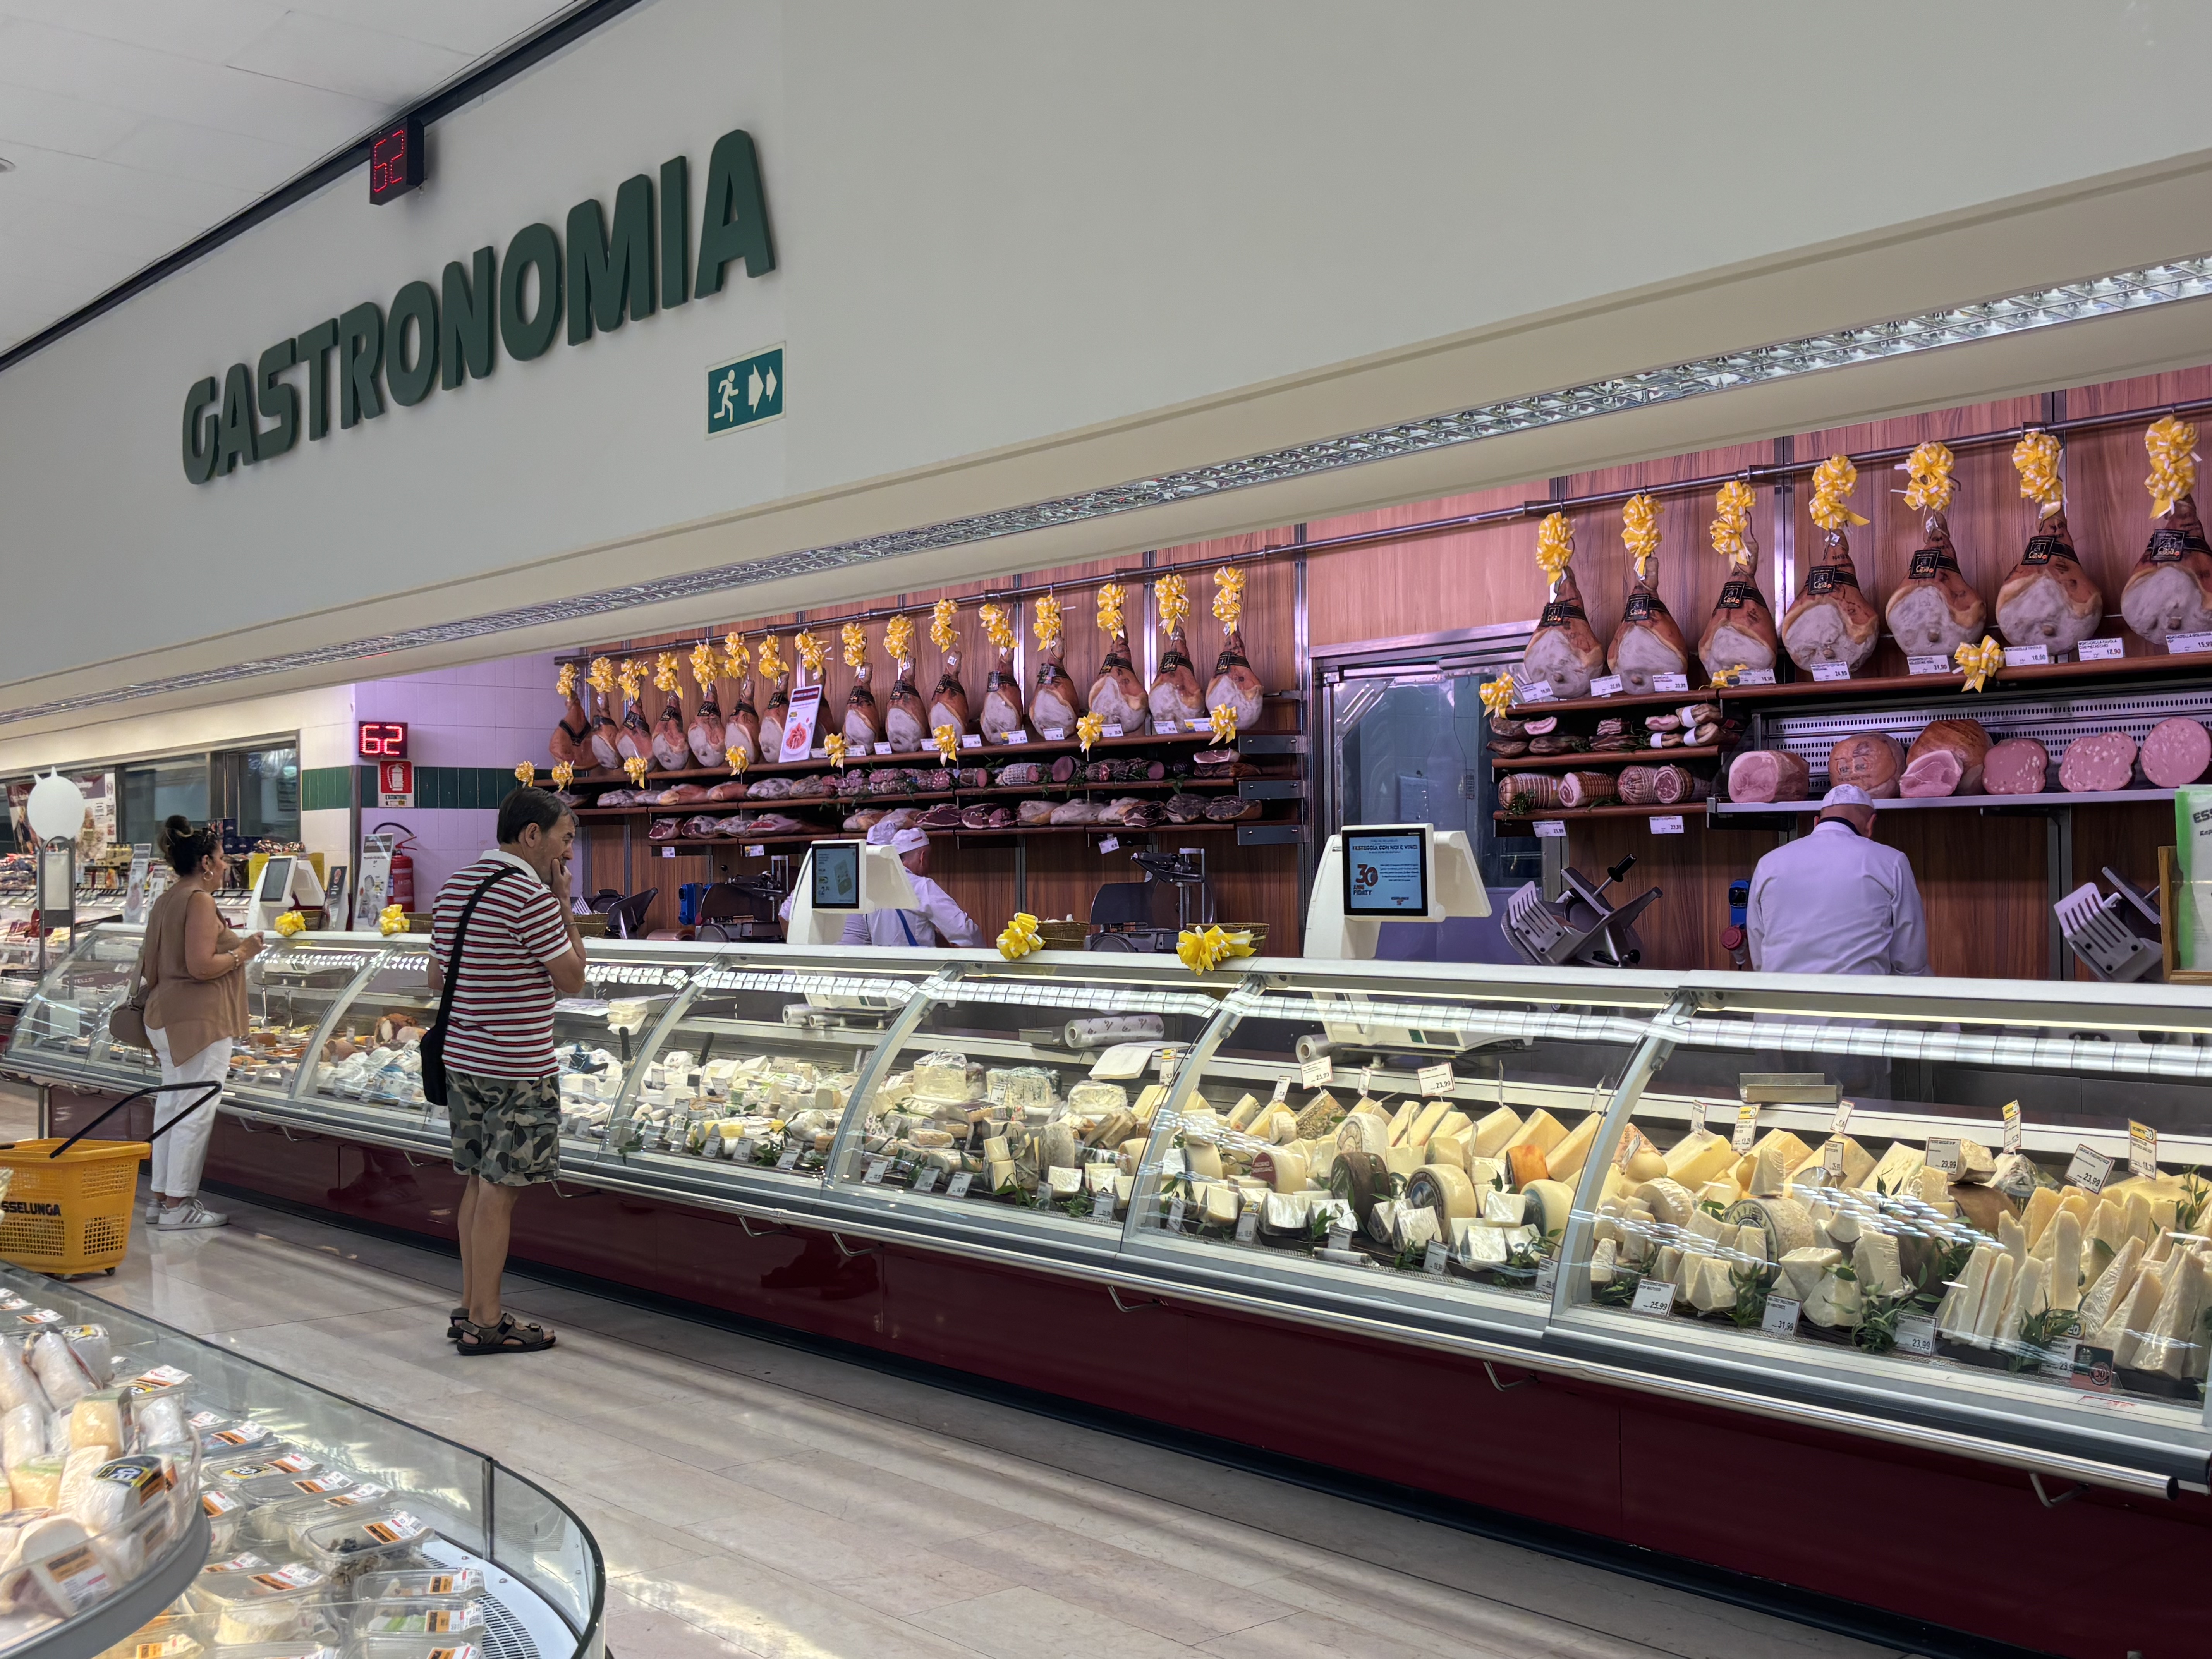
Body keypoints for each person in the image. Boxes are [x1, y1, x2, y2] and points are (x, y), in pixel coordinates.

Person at [426, 788, 585, 1356]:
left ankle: (470, 1307)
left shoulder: (454, 887)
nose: (567, 855)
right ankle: (488, 1322)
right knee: (501, 1191)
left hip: (464, 1061)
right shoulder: (530, 896)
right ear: (532, 835)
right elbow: (572, 979)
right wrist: (565, 904)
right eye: (565, 840)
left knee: (476, 1181)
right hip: (518, 1067)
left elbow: (435, 980)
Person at [138, 816, 263, 1230]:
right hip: (197, 1020)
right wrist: (243, 952)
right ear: (206, 863)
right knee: (196, 1108)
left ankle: (161, 1199)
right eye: (223, 858)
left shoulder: (168, 897)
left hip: (166, 1015)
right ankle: (180, 1205)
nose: (227, 865)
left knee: (173, 1105)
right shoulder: (199, 899)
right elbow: (200, 965)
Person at [1747, 784, 1932, 977]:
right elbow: (1910, 961)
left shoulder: (1768, 863)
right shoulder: (1891, 862)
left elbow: (1759, 957)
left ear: (1817, 822)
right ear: (1871, 825)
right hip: (1857, 1003)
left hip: (1778, 1002)